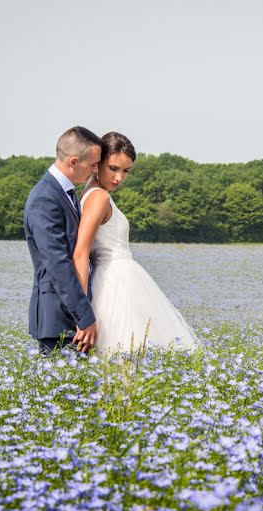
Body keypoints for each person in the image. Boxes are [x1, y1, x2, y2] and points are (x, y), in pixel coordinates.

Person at [73, 132, 197, 353]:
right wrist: (81, 312)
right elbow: (81, 254)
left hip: (120, 280)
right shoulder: (98, 197)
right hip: (114, 283)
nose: (119, 178)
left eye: (126, 171)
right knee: (128, 351)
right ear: (97, 163)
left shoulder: (94, 194)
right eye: (113, 168)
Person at [24, 126, 102, 355]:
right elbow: (57, 263)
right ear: (74, 162)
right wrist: (84, 316)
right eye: (93, 164)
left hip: (70, 317)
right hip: (59, 319)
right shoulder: (45, 198)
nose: (96, 170)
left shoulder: (65, 193)